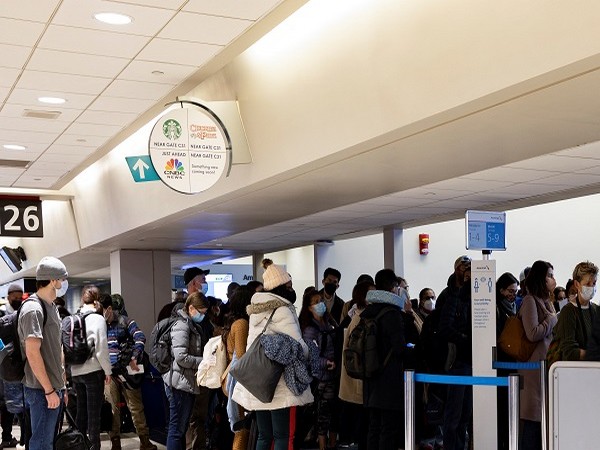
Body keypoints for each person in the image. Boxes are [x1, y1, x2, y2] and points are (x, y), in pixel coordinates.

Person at [232, 259, 313, 450]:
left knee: (264, 435)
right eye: (289, 285)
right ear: (281, 287)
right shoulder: (283, 310)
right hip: (278, 382)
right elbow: (298, 346)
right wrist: (310, 349)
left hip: (259, 380)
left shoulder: (256, 311)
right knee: (282, 435)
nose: (292, 289)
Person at [17, 256, 68, 450]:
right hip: (41, 390)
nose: (63, 284)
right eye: (62, 280)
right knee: (40, 443)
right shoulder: (33, 309)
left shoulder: (52, 307)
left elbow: (56, 348)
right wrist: (49, 390)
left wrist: (61, 385)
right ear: (53, 280)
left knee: (47, 441)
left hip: (53, 387)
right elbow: (32, 353)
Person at [100, 295, 157, 450]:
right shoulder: (100, 325)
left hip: (128, 372)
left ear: (109, 309)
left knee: (136, 407)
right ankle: (115, 442)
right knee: (113, 409)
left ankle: (144, 441)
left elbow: (140, 338)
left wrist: (133, 357)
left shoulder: (126, 321)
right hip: (109, 373)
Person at [362, 269, 407, 450]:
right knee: (388, 429)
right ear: (393, 287)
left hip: (370, 375)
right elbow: (399, 348)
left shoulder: (367, 311)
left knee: (374, 426)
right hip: (389, 378)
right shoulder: (392, 313)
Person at [518, 260, 557, 450]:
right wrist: (551, 319)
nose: (552, 279)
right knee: (532, 418)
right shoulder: (529, 300)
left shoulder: (547, 302)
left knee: (543, 417)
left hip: (546, 365)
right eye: (549, 275)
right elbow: (532, 332)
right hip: (533, 368)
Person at [164, 292, 211, 450]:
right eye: (201, 312)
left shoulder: (189, 323)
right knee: (177, 430)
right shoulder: (182, 325)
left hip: (184, 381)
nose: (203, 316)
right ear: (191, 308)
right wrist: (203, 362)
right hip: (179, 383)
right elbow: (181, 357)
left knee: (180, 429)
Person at [69, 285, 112, 450]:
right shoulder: (98, 318)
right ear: (97, 300)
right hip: (93, 371)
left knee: (81, 415)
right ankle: (94, 447)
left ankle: (79, 447)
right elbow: (101, 349)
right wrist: (107, 371)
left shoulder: (74, 317)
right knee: (94, 416)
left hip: (76, 371)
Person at [178, 267, 213, 450]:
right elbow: (181, 353)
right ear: (193, 283)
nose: (205, 283)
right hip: (190, 374)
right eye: (202, 279)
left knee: (200, 417)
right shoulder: (182, 314)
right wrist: (203, 361)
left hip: (204, 375)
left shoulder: (205, 313)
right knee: (191, 418)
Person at [299, 289, 339, 450]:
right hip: (320, 377)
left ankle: (332, 443)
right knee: (322, 413)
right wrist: (326, 363)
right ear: (309, 307)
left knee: (333, 412)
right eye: (316, 302)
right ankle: (322, 445)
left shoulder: (329, 323)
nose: (320, 304)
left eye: (321, 300)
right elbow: (310, 355)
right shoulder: (309, 329)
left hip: (332, 375)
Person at [338, 281, 375, 450]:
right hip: (359, 379)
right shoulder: (361, 318)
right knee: (363, 425)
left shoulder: (360, 316)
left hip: (357, 379)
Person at [439, 275, 473, 450]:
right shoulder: (453, 299)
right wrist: (465, 339)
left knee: (464, 414)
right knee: (455, 414)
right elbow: (445, 328)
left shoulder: (475, 302)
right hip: (458, 362)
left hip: (471, 361)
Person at [222, 286, 253, 450]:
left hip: (232, 378)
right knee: (241, 429)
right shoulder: (241, 324)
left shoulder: (234, 322)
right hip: (237, 380)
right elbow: (241, 356)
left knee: (240, 427)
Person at [549, 262, 598, 362]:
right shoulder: (568, 312)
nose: (591, 287)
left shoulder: (596, 310)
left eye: (594, 283)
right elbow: (569, 352)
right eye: (587, 284)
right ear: (577, 284)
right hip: (573, 372)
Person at [494, 272, 519, 450]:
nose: (513, 295)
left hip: (511, 362)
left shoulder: (513, 308)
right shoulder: (496, 308)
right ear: (501, 290)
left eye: (516, 291)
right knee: (502, 409)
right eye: (510, 291)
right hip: (501, 362)